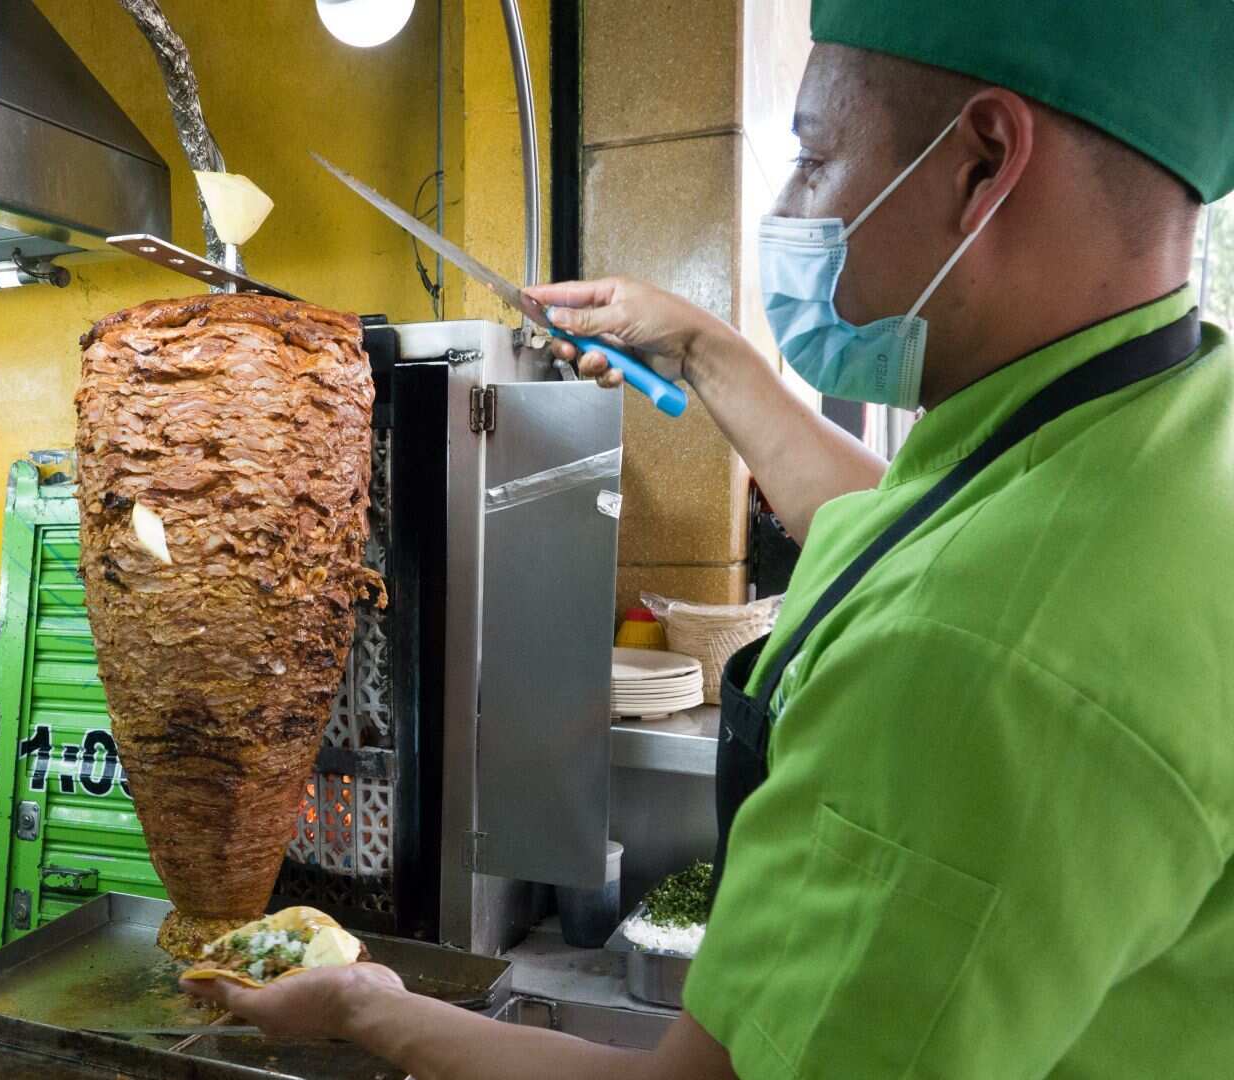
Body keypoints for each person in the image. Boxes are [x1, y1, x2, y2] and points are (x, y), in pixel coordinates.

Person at [183, 3, 1234, 1076]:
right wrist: (700, 347)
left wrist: (366, 1008)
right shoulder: (1160, 435)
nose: (788, 207)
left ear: (983, 162)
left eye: (813, 160)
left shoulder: (971, 662)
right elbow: (894, 530)